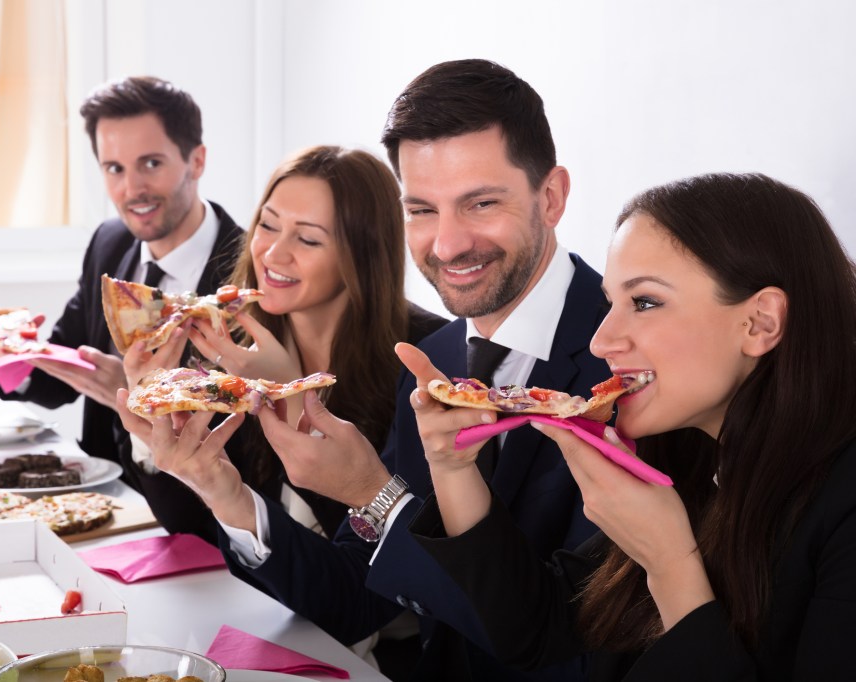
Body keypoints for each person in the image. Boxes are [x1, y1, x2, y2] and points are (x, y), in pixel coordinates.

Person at [118, 59, 610, 680]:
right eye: (423, 210)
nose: (448, 244)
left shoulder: (624, 359)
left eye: (480, 203)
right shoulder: (435, 365)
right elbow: (356, 602)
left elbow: (568, 638)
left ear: (552, 197)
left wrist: (373, 494)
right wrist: (228, 494)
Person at [403, 172, 856, 679]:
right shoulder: (693, 461)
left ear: (761, 323)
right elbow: (532, 631)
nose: (602, 341)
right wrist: (453, 468)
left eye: (644, 302)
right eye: (610, 303)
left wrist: (671, 565)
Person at [118, 144, 445, 544]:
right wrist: (155, 422)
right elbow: (191, 525)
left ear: (362, 255)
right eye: (268, 225)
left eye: (307, 239)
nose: (273, 254)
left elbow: (372, 563)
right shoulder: (229, 346)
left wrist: (290, 398)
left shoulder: (427, 357)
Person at [0, 76, 243, 465]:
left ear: (197, 161)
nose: (131, 188)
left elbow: (249, 440)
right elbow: (62, 379)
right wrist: (12, 357)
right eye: (114, 169)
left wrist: (139, 396)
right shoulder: (109, 243)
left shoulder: (250, 273)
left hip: (204, 511)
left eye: (151, 163)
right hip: (110, 494)